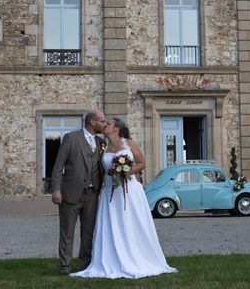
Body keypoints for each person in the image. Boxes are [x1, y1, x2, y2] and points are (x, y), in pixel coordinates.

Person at [71, 117, 177, 279]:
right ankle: (111, 259)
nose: (105, 125)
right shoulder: (103, 147)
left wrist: (127, 171)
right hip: (109, 193)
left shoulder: (129, 144)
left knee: (131, 224)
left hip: (130, 191)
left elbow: (142, 163)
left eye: (108, 123)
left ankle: (136, 256)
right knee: (112, 225)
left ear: (117, 128)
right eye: (104, 123)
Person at [51, 109, 107, 275]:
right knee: (67, 233)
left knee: (88, 232)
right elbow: (58, 165)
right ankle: (64, 267)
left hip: (92, 194)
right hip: (70, 193)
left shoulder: (101, 142)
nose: (104, 124)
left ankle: (86, 266)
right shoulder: (71, 138)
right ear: (92, 122)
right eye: (102, 121)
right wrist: (56, 189)